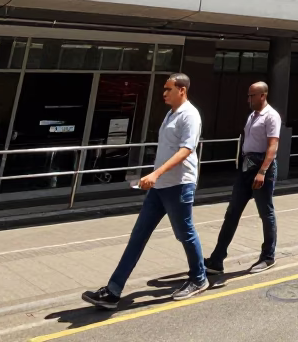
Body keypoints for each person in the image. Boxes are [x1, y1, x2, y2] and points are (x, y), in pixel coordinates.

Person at [83, 74, 206, 309]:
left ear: (182, 90)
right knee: (138, 235)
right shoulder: (170, 114)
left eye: (168, 89)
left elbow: (186, 150)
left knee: (185, 233)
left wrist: (156, 174)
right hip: (159, 188)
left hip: (179, 185)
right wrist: (154, 177)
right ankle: (113, 291)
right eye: (164, 89)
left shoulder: (190, 115)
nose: (164, 93)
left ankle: (199, 278)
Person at [206, 82, 282, 280]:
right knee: (232, 212)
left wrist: (262, 171)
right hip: (246, 166)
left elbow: (272, 146)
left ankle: (268, 256)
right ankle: (217, 260)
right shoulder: (252, 116)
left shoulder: (271, 116)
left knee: (266, 213)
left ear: (263, 95)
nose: (248, 99)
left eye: (252, 95)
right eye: (248, 95)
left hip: (262, 167)